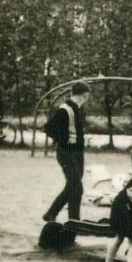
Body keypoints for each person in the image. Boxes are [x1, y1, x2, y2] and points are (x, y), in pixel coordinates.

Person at [42, 81, 91, 224]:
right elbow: (48, 128)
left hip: (77, 153)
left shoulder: (77, 109)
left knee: (73, 186)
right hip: (66, 152)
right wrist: (64, 139)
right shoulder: (65, 109)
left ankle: (62, 217)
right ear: (85, 95)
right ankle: (71, 220)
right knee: (76, 187)